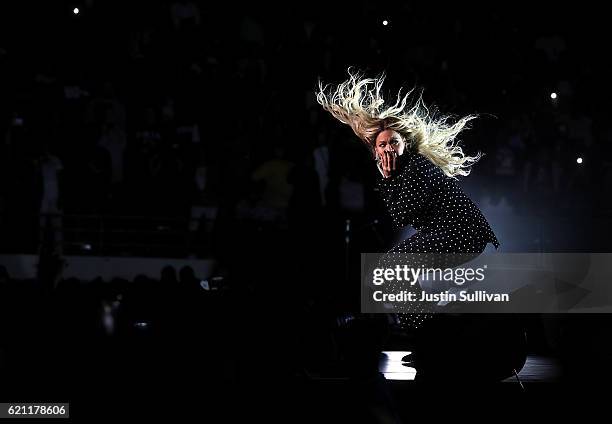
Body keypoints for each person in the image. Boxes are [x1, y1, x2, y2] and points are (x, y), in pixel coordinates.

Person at [317, 69, 500, 330]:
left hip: (463, 233)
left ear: (405, 144)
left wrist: (389, 179)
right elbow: (399, 214)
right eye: (382, 145)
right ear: (375, 151)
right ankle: (425, 331)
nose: (388, 148)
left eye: (394, 142)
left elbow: (402, 216)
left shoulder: (416, 166)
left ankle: (424, 332)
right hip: (454, 233)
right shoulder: (400, 173)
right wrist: (389, 180)